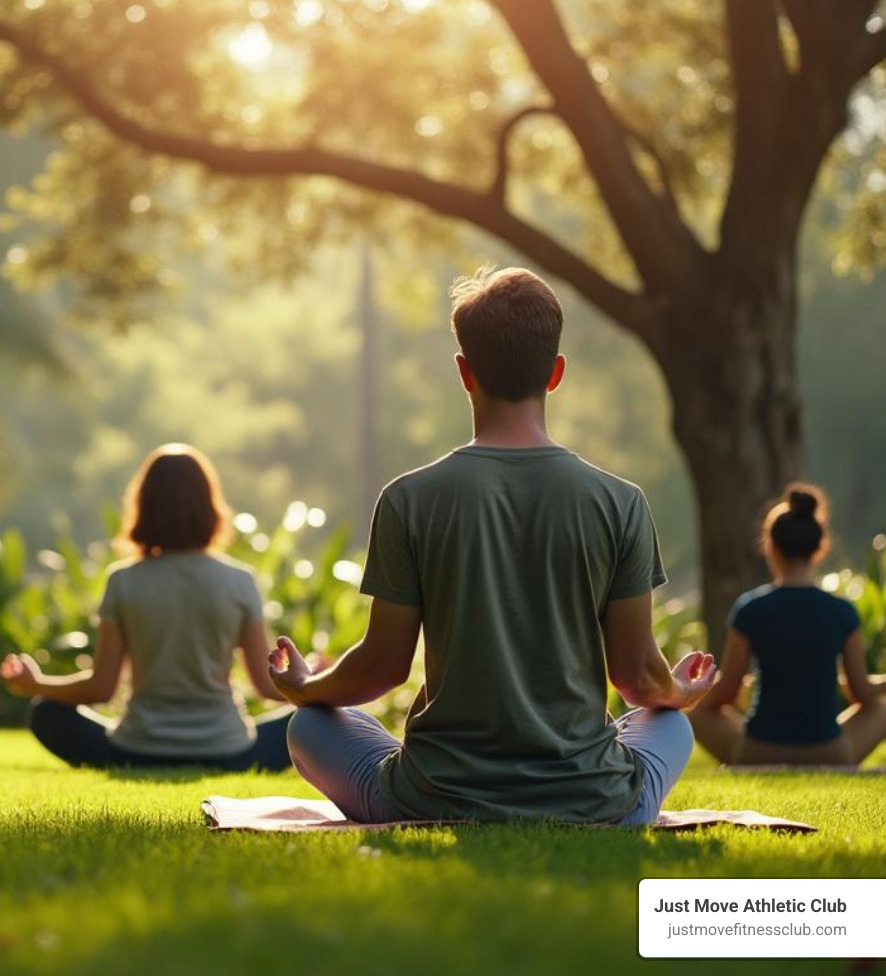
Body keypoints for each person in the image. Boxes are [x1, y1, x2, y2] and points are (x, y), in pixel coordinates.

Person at [268, 266, 717, 825]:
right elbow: (637, 681)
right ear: (555, 374)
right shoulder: (620, 502)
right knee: (671, 722)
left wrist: (304, 686)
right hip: (594, 800)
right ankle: (611, 803)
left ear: (464, 372)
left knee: (309, 724)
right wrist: (683, 689)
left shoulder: (410, 498)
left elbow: (381, 669)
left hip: (433, 797)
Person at [0, 444, 293, 770]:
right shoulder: (240, 580)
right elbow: (268, 686)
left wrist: (35, 684)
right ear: (210, 506)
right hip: (229, 751)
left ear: (144, 506)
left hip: (136, 749)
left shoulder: (124, 581)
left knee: (46, 713)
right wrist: (320, 680)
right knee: (315, 720)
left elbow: (101, 687)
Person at [690, 484, 886, 766]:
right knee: (880, 709)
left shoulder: (750, 609)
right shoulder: (842, 611)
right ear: (820, 548)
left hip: (756, 752)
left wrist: (695, 689)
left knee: (697, 712)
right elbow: (859, 693)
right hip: (828, 751)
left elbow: (725, 694)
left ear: (770, 547)